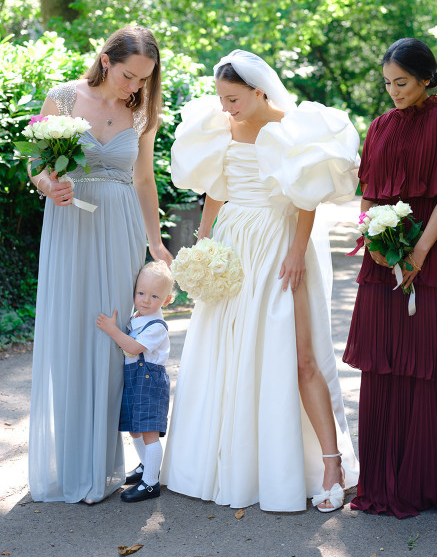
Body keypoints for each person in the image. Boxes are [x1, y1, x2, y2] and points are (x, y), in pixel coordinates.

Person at [162, 49, 360, 512]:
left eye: (233, 99)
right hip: (233, 244)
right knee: (226, 351)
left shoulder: (294, 127)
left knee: (299, 355)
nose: (226, 107)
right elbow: (216, 188)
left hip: (279, 243)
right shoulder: (221, 125)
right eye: (221, 99)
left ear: (258, 91)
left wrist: (295, 253)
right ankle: (232, 463)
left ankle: (330, 464)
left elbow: (307, 198)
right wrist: (203, 243)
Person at [28, 25, 172, 505]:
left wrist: (155, 244)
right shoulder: (64, 99)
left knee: (115, 342)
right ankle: (75, 463)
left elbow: (145, 179)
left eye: (144, 80)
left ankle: (111, 463)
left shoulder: (142, 111)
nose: (136, 87)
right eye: (130, 75)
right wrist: (50, 185)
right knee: (74, 334)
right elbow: (37, 166)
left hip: (122, 230)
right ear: (107, 60)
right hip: (71, 228)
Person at [342, 37, 437, 518]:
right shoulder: (378, 127)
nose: (393, 91)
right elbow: (368, 195)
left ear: (426, 78)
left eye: (401, 82)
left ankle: (423, 477)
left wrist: (419, 251)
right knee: (385, 363)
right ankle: (380, 474)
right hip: (381, 261)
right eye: (387, 83)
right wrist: (374, 243)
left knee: (425, 363)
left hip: (434, 257)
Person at [97, 260, 173, 503]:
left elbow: (132, 346)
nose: (145, 300)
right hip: (136, 381)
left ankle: (151, 484)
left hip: (150, 383)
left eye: (154, 296)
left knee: (149, 432)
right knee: (135, 428)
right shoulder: (138, 316)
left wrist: (112, 330)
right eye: (140, 293)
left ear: (166, 300)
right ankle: (145, 467)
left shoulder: (156, 326)